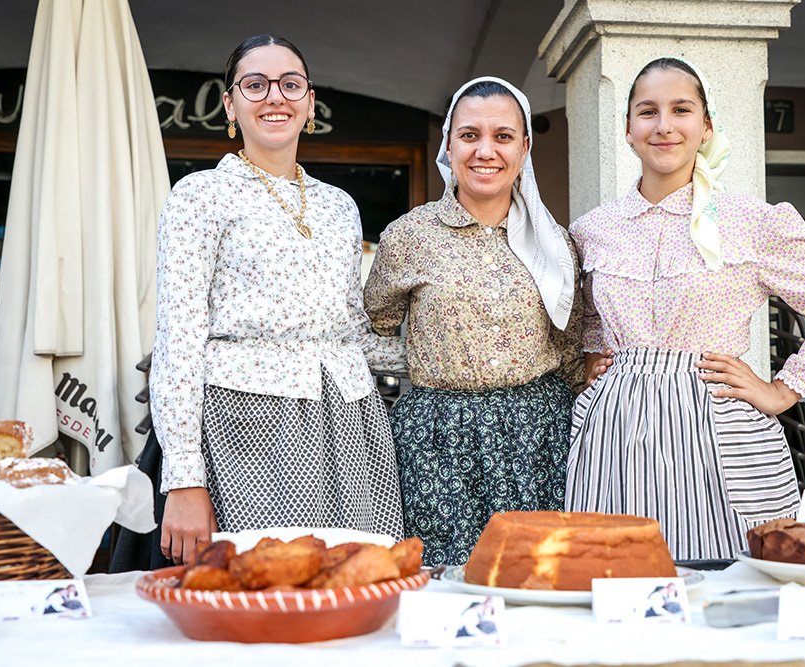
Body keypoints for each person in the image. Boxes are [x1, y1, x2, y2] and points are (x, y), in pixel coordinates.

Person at [566, 57, 805, 560]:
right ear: (627, 130)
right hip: (615, 435)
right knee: (617, 577)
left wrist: (783, 390)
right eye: (647, 112)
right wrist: (588, 365)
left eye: (681, 110)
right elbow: (582, 322)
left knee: (736, 579)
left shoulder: (750, 221)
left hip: (721, 430)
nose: (664, 125)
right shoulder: (592, 230)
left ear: (706, 126)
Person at [150, 35, 406, 564]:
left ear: (310, 102)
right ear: (230, 104)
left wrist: (451, 357)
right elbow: (179, 337)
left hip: (351, 418)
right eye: (255, 84)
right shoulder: (199, 196)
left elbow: (351, 327)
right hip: (247, 420)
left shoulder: (339, 206)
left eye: (291, 85)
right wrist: (183, 479)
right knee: (265, 575)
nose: (275, 97)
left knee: (352, 576)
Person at [364, 77, 585, 566]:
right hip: (435, 437)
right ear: (448, 143)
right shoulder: (408, 236)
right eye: (470, 135)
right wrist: (430, 360)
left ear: (525, 148)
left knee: (535, 574)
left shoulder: (555, 243)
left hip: (537, 435)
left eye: (503, 136)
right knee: (442, 582)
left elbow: (572, 346)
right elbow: (373, 327)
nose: (486, 151)